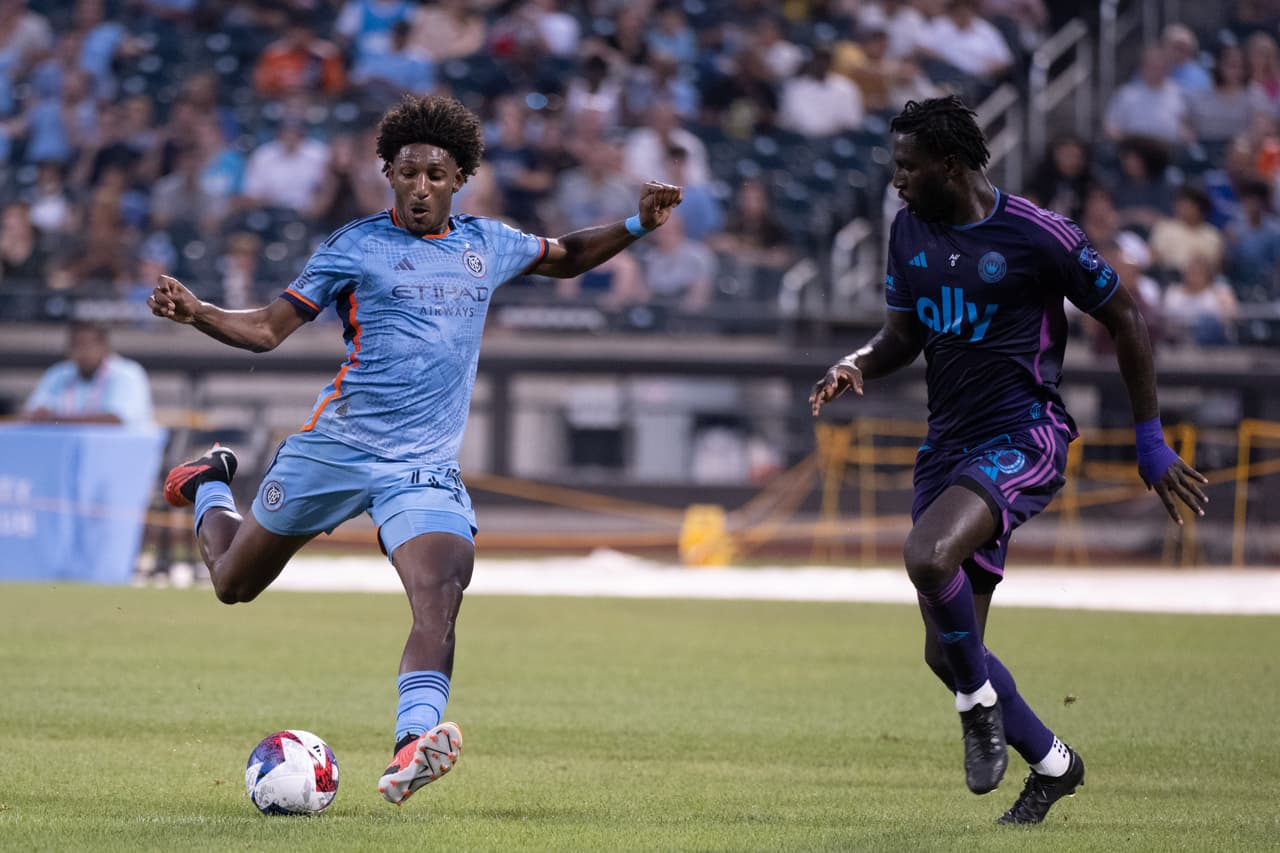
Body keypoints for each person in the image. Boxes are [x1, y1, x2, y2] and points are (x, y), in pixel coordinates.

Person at [147, 94, 682, 807]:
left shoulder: (489, 243)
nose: (421, 187)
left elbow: (569, 255)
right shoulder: (353, 246)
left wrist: (636, 225)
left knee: (441, 590)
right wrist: (198, 312)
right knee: (232, 583)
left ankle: (411, 745)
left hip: (422, 467)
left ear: (460, 177)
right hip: (337, 447)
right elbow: (269, 330)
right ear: (388, 176)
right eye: (407, 174)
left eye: (435, 174)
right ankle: (209, 482)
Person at [810, 96, 1207, 825]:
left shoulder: (1038, 234)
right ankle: (1055, 764)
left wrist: (1150, 439)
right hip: (948, 447)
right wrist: (857, 361)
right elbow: (903, 334)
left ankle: (976, 709)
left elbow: (1124, 317)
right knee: (946, 651)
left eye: (907, 166)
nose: (897, 180)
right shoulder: (907, 230)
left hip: (1024, 435)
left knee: (927, 555)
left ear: (950, 165)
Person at [22, 320, 153, 426]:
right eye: (76, 346)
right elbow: (31, 414)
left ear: (104, 346)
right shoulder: (58, 374)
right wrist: (44, 416)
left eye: (88, 345)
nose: (82, 352)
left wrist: (55, 420)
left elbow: (114, 420)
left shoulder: (127, 373)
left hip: (119, 449)